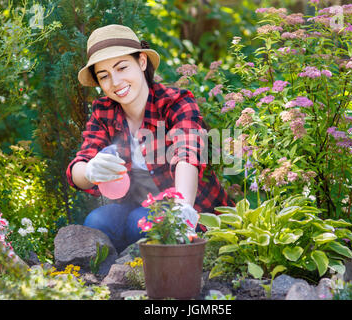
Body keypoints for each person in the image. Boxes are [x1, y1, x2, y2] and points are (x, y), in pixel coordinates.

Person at [66, 24, 234, 253]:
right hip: (134, 204)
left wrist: (182, 209)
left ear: (142, 62)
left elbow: (188, 153)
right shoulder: (103, 110)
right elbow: (79, 165)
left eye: (122, 67)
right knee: (97, 222)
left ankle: (145, 266)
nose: (115, 82)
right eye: (104, 76)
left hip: (186, 205)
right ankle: (115, 272)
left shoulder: (175, 102)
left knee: (141, 223)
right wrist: (88, 172)